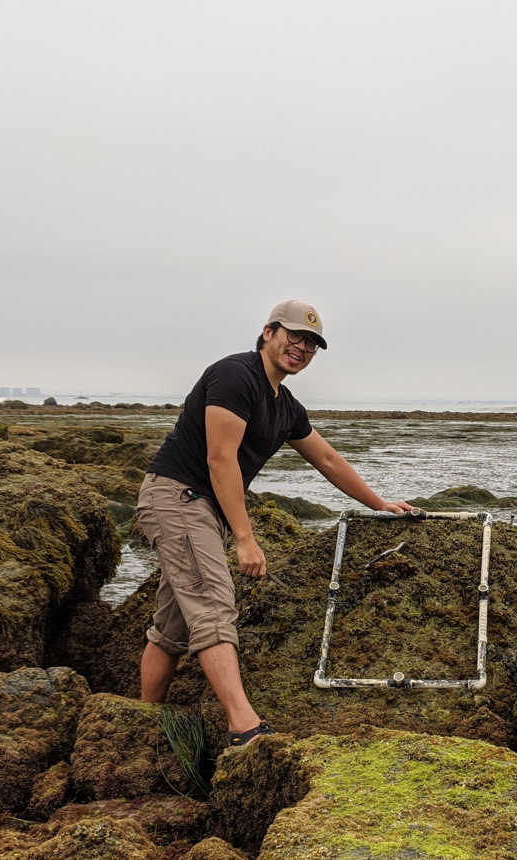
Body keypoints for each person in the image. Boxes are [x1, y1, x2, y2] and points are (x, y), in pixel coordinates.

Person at [135, 299, 414, 747]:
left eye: (311, 344)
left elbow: (326, 458)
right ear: (269, 333)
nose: (301, 347)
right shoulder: (235, 375)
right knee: (212, 604)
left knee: (174, 626)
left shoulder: (286, 406)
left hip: (204, 508)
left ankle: (142, 720)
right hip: (178, 496)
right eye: (294, 336)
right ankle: (244, 727)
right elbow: (220, 457)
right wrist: (245, 539)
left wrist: (378, 503)